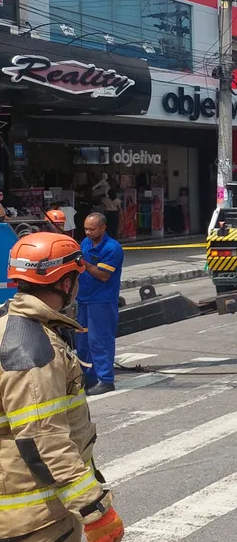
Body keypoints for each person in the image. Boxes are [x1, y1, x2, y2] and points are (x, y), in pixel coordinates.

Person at [0, 232, 125, 542]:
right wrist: (95, 511)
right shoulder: (32, 351)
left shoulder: (8, 326)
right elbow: (44, 442)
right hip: (35, 521)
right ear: (66, 284)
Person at [77, 213, 124, 396]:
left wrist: (84, 264)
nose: (88, 232)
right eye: (86, 228)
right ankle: (88, 378)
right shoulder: (85, 243)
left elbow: (103, 275)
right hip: (84, 299)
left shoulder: (112, 248)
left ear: (103, 228)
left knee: (100, 341)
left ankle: (106, 380)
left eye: (92, 229)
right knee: (83, 343)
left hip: (102, 301)